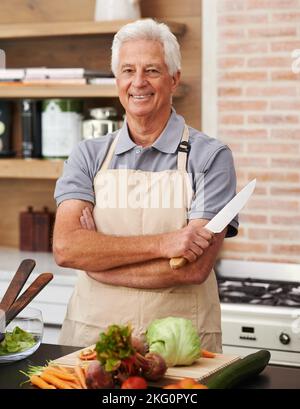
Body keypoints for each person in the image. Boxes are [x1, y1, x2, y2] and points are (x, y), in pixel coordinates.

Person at [53, 18, 238, 351]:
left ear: (174, 79)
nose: (138, 82)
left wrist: (99, 264)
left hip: (179, 349)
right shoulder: (87, 155)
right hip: (91, 346)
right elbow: (67, 249)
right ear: (116, 80)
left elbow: (192, 269)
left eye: (152, 70)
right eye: (127, 70)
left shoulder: (211, 157)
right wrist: (168, 243)